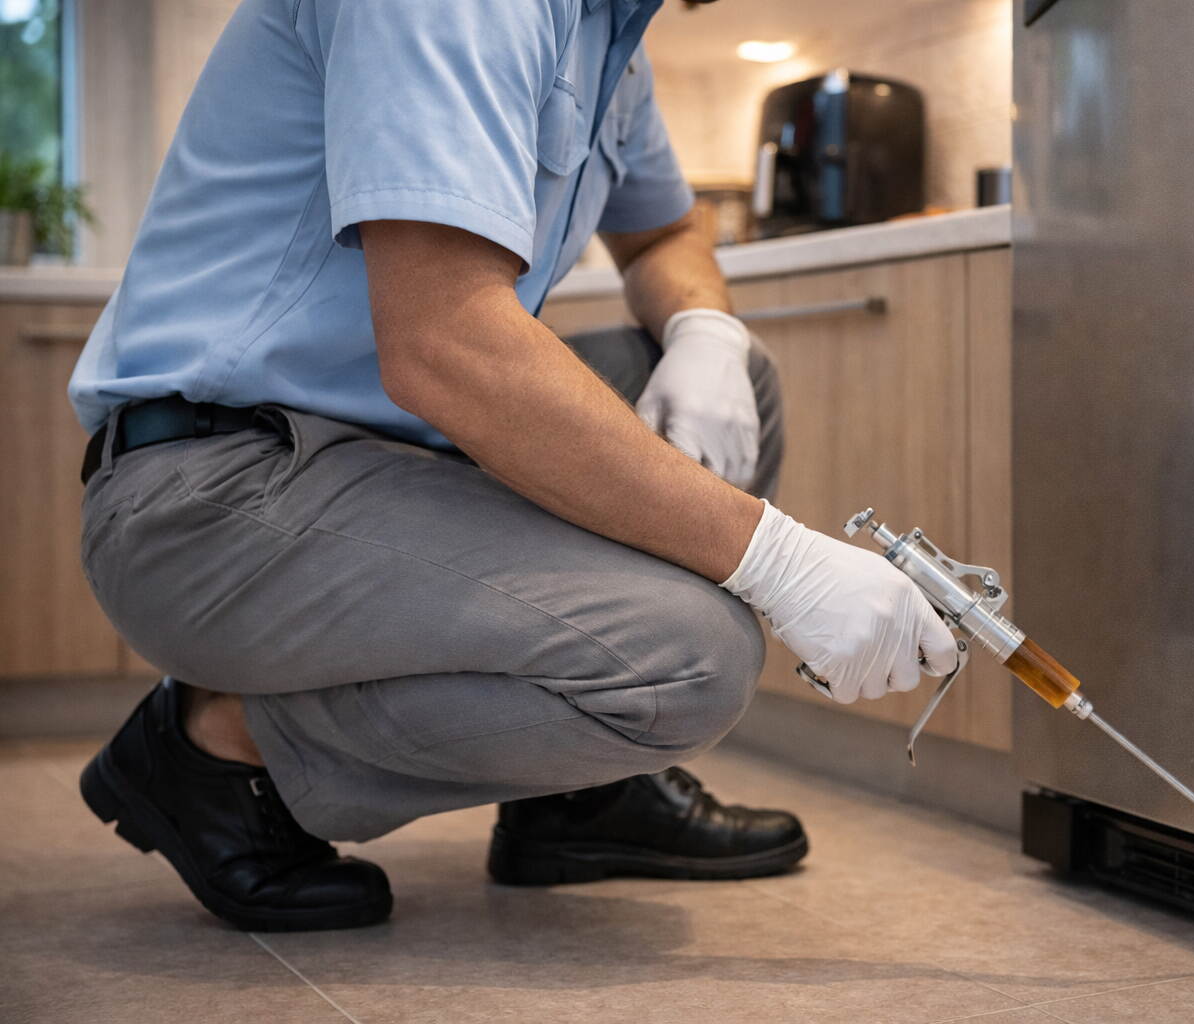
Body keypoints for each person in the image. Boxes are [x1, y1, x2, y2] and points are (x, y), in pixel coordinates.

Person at [67, 0, 958, 932]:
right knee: (689, 661)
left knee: (726, 381)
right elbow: (443, 342)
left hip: (399, 452)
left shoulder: (606, 33)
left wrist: (706, 329)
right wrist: (779, 559)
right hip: (217, 490)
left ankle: (571, 799)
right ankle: (215, 747)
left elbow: (665, 234)